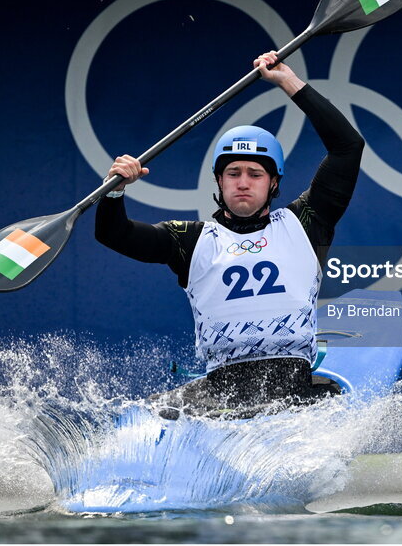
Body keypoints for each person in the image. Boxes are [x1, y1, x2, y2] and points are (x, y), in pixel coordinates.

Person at [95, 51, 364, 420]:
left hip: (293, 390)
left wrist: (288, 81)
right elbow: (115, 234)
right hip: (218, 394)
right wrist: (114, 191)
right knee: (140, 415)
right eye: (233, 173)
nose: (243, 183)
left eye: (255, 174)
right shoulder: (190, 239)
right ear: (219, 181)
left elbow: (348, 147)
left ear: (273, 183)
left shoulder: (305, 223)